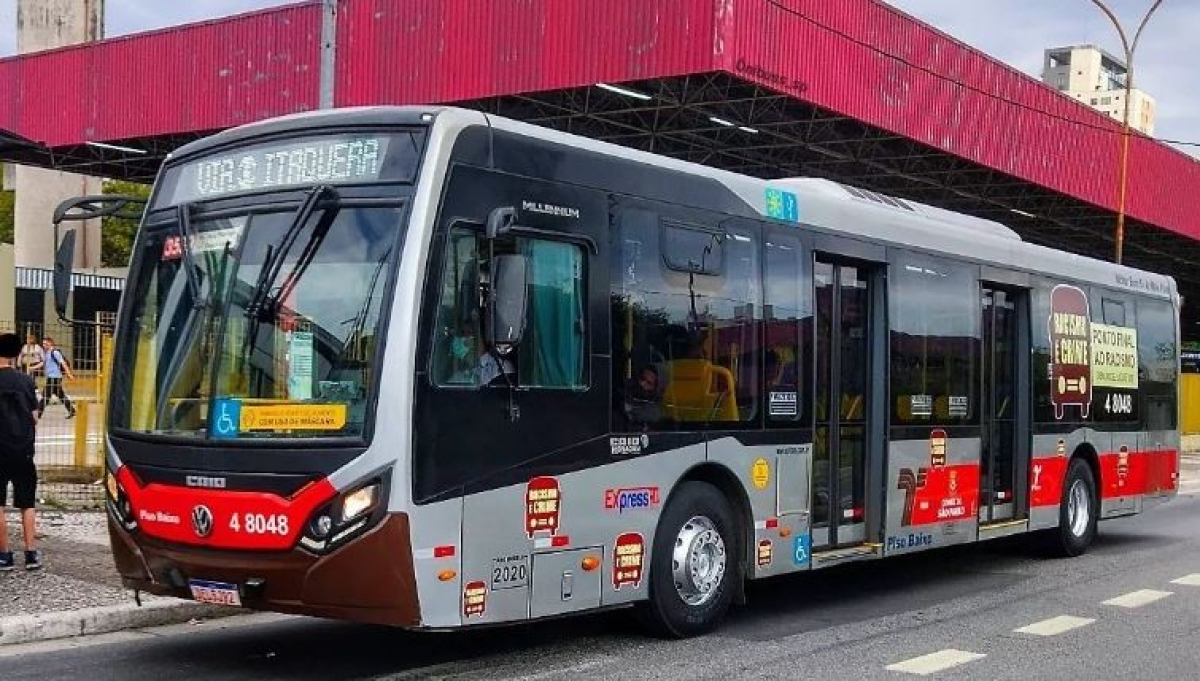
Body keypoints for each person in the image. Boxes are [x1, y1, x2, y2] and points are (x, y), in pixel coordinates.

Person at [0, 332, 41, 570]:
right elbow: (35, 417)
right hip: (24, 450)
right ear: (17, 354)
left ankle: (4, 555)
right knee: (27, 502)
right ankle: (31, 553)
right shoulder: (27, 381)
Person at [39, 336, 75, 419]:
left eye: (45, 343)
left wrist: (69, 374)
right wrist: (32, 368)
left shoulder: (55, 352)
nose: (44, 345)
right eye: (43, 344)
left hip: (54, 377)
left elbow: (63, 363)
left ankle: (38, 414)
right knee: (61, 396)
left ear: (50, 343)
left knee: (45, 396)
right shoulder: (47, 353)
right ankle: (72, 410)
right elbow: (43, 363)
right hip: (51, 377)